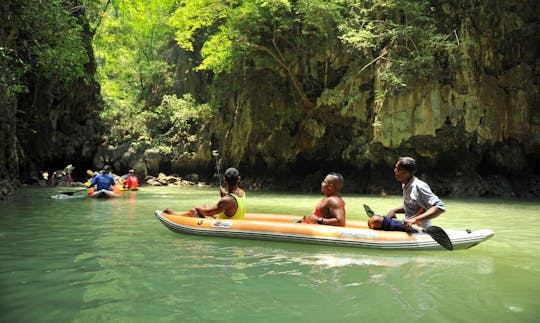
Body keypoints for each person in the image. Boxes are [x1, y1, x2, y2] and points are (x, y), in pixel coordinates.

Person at [368, 156, 445, 232]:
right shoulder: (405, 184)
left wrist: (415, 219)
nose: (394, 171)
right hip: (406, 223)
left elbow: (440, 207)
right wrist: (394, 211)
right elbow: (411, 205)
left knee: (375, 220)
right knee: (376, 220)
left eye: (397, 169)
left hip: (417, 227)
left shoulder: (419, 186)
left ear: (405, 172)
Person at [164, 167, 246, 219]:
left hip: (225, 224)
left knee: (194, 211)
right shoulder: (242, 193)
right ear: (238, 179)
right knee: (205, 206)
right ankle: (179, 214)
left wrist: (197, 208)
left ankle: (175, 215)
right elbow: (232, 203)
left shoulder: (226, 200)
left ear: (224, 180)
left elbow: (208, 212)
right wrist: (224, 196)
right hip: (234, 219)